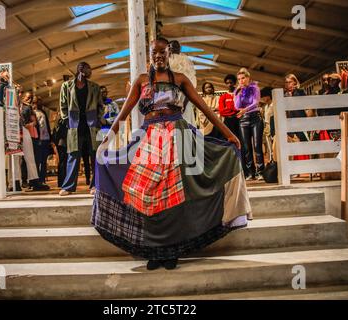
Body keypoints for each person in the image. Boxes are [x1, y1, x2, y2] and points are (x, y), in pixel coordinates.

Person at [92, 38, 252, 271]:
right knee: (147, 195)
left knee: (174, 196)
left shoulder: (180, 80)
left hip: (178, 138)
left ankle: (172, 250)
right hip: (149, 140)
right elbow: (123, 114)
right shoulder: (141, 81)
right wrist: (106, 141)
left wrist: (229, 134)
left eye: (162, 52)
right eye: (154, 52)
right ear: (149, 55)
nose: (158, 56)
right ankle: (154, 251)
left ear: (169, 54)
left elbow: (204, 108)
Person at [59, 62, 104, 196]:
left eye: (85, 67)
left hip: (92, 126)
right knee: (73, 155)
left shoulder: (95, 87)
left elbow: (100, 106)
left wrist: (98, 120)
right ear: (76, 69)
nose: (82, 68)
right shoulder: (66, 86)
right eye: (80, 66)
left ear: (88, 71)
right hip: (74, 126)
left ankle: (95, 185)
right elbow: (63, 105)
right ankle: (68, 187)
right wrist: (67, 120)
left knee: (95, 155)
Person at [234, 68, 265, 180]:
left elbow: (256, 102)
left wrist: (245, 110)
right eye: (239, 79)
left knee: (257, 145)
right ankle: (250, 173)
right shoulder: (238, 90)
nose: (241, 81)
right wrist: (238, 93)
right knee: (246, 147)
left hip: (255, 118)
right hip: (243, 120)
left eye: (243, 78)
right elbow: (237, 106)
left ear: (248, 78)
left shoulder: (254, 88)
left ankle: (260, 171)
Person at [168, 40, 197, 127]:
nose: (173, 49)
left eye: (176, 47)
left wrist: (184, 103)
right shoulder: (166, 61)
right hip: (169, 99)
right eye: (171, 47)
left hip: (184, 98)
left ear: (180, 48)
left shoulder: (185, 61)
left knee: (185, 124)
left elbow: (191, 86)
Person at [33, 96, 51, 185]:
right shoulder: (33, 113)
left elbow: (46, 126)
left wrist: (50, 139)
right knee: (38, 160)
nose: (40, 103)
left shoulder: (43, 112)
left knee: (44, 161)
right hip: (38, 140)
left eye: (41, 102)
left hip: (45, 139)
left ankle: (42, 179)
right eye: (38, 102)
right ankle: (36, 180)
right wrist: (38, 138)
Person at [260, 87, 274, 162]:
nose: (262, 98)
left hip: (273, 126)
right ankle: (271, 160)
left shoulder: (274, 104)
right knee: (269, 146)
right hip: (267, 126)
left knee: (274, 145)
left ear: (268, 96)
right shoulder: (265, 107)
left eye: (264, 96)